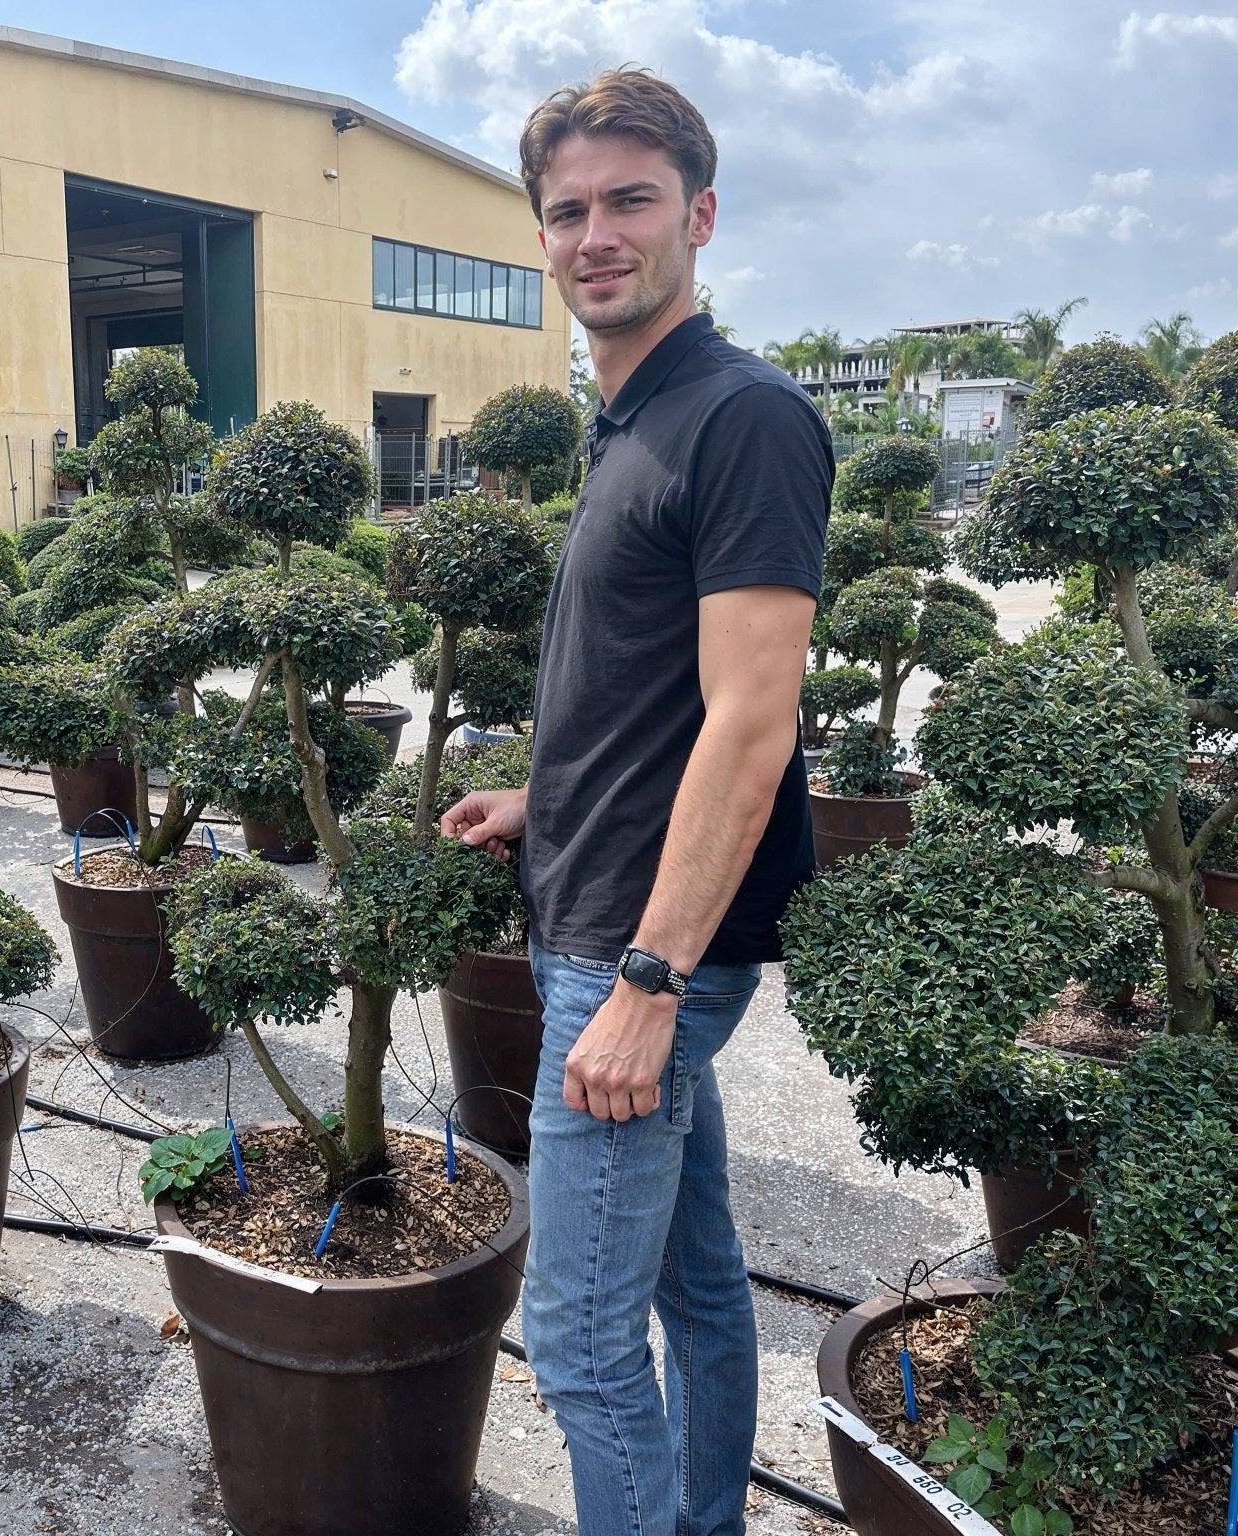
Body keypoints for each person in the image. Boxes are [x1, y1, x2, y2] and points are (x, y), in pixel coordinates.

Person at [440, 69, 831, 1536]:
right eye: (567, 211)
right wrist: (539, 796)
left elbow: (751, 720)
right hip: (602, 905)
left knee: (581, 1343)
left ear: (700, 216)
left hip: (637, 953)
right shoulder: (629, 419)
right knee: (698, 1285)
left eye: (630, 201)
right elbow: (646, 687)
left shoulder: (744, 418)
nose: (594, 235)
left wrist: (649, 986)